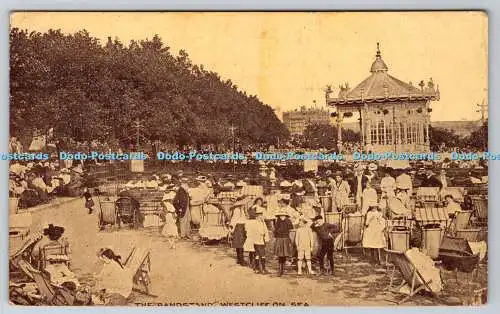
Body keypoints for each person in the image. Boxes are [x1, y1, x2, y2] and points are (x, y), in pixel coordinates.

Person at [245, 207, 270, 274]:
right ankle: (257, 268)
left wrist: (266, 238)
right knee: (257, 254)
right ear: (256, 216)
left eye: (261, 215)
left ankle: (263, 268)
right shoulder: (254, 223)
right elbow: (250, 231)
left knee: (263, 254)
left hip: (262, 240)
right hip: (256, 240)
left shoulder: (263, 223)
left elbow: (266, 231)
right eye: (258, 216)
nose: (260, 217)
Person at [274, 209, 294, 277]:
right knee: (280, 254)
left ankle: (283, 268)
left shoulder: (288, 221)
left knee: (284, 254)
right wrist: (276, 236)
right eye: (280, 215)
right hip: (279, 239)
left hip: (285, 239)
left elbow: (291, 228)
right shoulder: (278, 221)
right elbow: (275, 230)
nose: (282, 217)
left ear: (286, 215)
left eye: (283, 215)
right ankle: (280, 270)